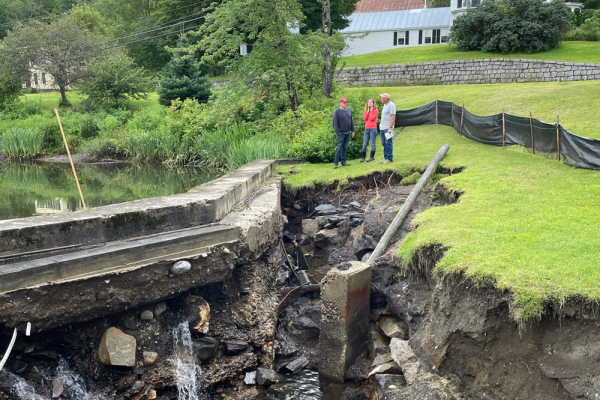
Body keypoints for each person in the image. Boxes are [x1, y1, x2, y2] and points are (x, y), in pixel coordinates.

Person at [332, 97, 355, 169]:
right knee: (338, 148)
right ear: (340, 103)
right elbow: (335, 123)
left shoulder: (348, 111)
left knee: (344, 148)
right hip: (341, 133)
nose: (346, 104)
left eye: (346, 102)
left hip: (347, 132)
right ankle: (336, 163)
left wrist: (353, 130)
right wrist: (338, 132)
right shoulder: (337, 112)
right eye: (344, 103)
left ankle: (343, 161)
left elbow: (351, 121)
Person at [379, 93, 396, 164]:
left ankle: (389, 158)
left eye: (382, 98)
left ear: (386, 99)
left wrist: (390, 127)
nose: (381, 99)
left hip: (388, 128)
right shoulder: (384, 105)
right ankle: (385, 157)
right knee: (384, 143)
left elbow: (393, 116)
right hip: (382, 128)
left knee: (388, 143)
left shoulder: (391, 105)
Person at [361, 98, 379, 162]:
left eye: (370, 102)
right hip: (367, 129)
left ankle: (372, 157)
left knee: (372, 143)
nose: (369, 103)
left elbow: (372, 118)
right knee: (365, 143)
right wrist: (368, 111)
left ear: (373, 103)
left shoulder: (376, 110)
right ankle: (363, 157)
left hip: (373, 129)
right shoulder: (366, 110)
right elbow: (364, 118)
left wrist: (371, 111)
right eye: (368, 102)